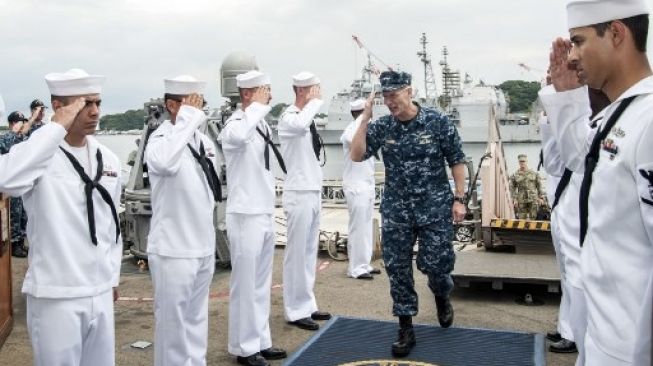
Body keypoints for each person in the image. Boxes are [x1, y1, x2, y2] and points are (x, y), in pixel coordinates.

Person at [540, 0, 652, 364]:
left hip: (631, 346)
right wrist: (567, 95)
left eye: (579, 41)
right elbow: (577, 158)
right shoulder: (619, 114)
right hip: (602, 332)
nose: (572, 56)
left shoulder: (649, 121)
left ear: (616, 34)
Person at [0, 68, 122, 366]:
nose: (94, 112)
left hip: (99, 290)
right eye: (84, 104)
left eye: (97, 103)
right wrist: (54, 129)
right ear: (59, 106)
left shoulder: (108, 159)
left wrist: (113, 275)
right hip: (56, 294)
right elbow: (6, 179)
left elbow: (112, 224)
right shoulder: (39, 155)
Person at [350, 70, 467, 358]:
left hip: (435, 208)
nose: (390, 102)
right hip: (397, 210)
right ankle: (405, 328)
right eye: (385, 96)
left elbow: (456, 159)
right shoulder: (382, 127)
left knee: (437, 265)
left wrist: (459, 199)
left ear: (410, 92)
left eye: (395, 94)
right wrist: (365, 117)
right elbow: (356, 155)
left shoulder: (437, 122)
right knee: (398, 268)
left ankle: (442, 295)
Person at [144, 75, 218, 366]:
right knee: (173, 332)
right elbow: (165, 163)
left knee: (196, 325)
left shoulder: (201, 141)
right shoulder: (161, 139)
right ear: (172, 105)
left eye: (200, 102)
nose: (198, 108)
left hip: (201, 245)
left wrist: (190, 123)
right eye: (191, 102)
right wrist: (187, 120)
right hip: (173, 250)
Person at [219, 70, 288, 366]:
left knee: (261, 282)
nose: (269, 95)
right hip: (244, 214)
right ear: (247, 94)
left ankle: (260, 340)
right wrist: (255, 107)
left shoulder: (260, 125)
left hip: (262, 210)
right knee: (245, 284)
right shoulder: (236, 123)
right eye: (264, 90)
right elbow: (235, 137)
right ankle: (244, 348)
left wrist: (258, 110)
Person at [278, 71, 331, 331]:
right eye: (315, 89)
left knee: (309, 252)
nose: (319, 93)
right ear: (302, 91)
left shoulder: (304, 120)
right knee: (297, 254)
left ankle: (306, 304)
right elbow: (300, 125)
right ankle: (295, 310)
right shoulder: (289, 118)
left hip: (311, 191)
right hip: (298, 194)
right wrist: (315, 102)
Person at [340, 99, 380, 280]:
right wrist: (364, 117)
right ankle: (355, 268)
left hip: (366, 185)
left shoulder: (363, 129)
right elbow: (351, 139)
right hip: (356, 187)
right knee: (358, 228)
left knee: (365, 227)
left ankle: (364, 264)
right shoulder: (351, 130)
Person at [0, 111, 37, 257]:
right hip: (11, 185)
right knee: (14, 215)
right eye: (18, 122)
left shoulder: (24, 139)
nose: (22, 126)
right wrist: (14, 133)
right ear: (11, 124)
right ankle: (14, 244)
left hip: (24, 183)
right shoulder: (7, 138)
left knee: (23, 215)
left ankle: (21, 242)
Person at [509, 154, 545, 219]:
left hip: (533, 200)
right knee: (522, 219)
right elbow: (512, 188)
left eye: (523, 161)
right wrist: (514, 199)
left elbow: (539, 185)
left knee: (534, 218)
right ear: (519, 162)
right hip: (521, 200)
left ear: (526, 161)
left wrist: (541, 198)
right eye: (521, 162)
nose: (522, 163)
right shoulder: (515, 175)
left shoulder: (534, 173)